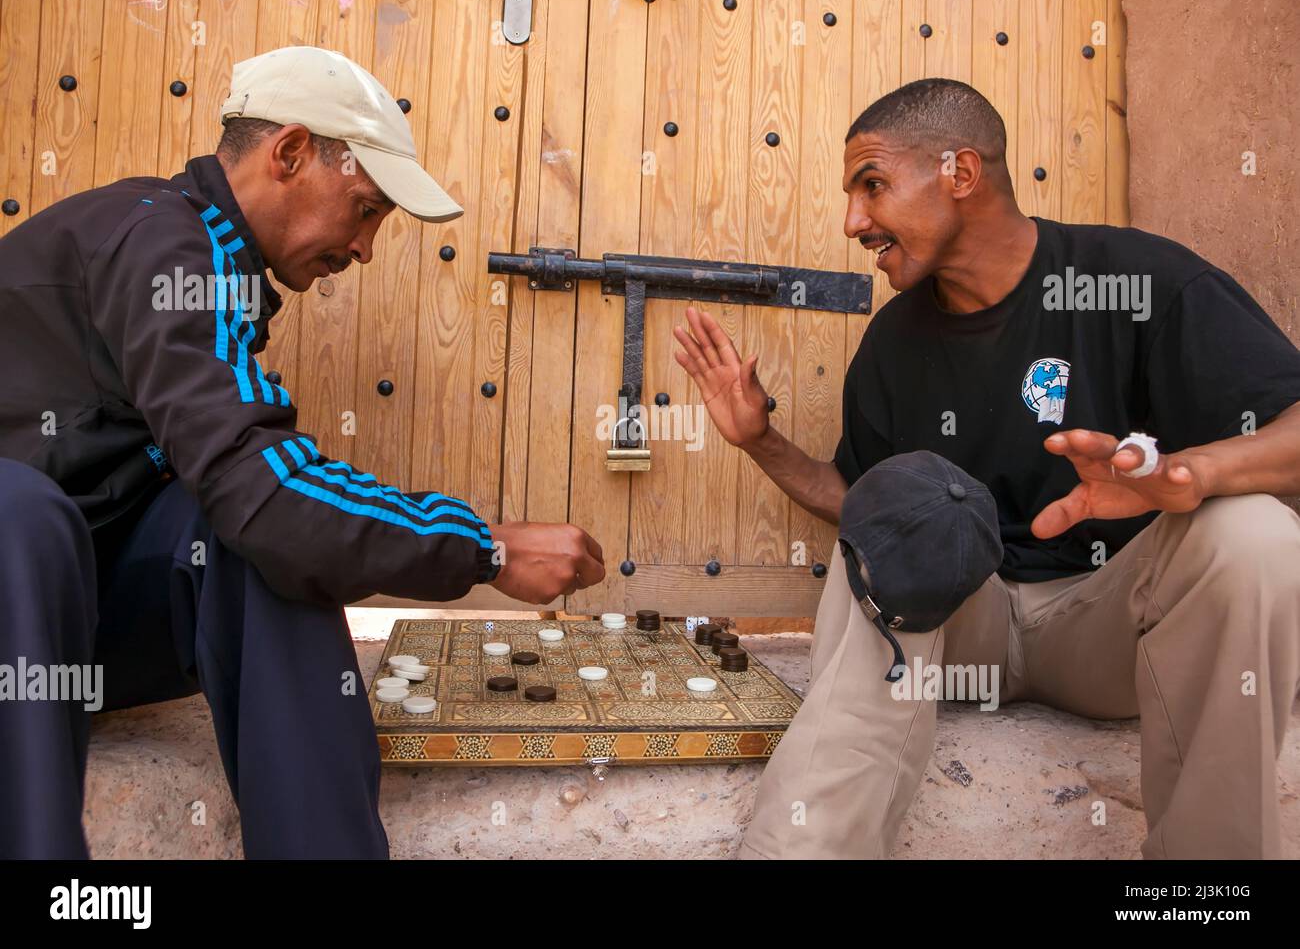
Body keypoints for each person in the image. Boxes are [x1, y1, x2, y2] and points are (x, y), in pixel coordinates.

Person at [0, 46, 604, 859]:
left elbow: (260, 498)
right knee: (24, 515)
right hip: (17, 604)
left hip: (69, 638)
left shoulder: (217, 267)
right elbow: (267, 490)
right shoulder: (158, 239)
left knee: (247, 540)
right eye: (365, 209)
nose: (364, 249)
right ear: (288, 154)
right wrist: (484, 546)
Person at [674, 78, 1300, 859]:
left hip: (1112, 631)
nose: (853, 222)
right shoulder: (895, 342)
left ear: (960, 173)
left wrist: (1191, 474)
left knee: (1257, 531)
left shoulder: (1138, 279)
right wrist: (760, 440)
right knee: (879, 538)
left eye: (872, 186)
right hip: (966, 639)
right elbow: (856, 499)